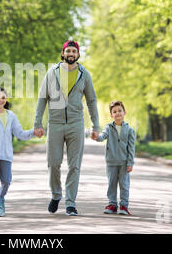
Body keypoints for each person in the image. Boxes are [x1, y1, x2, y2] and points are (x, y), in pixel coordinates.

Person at [34, 38, 100, 216]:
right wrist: (37, 123)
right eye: (68, 51)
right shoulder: (51, 73)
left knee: (74, 166)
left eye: (74, 51)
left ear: (78, 54)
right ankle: (56, 195)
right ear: (63, 53)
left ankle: (71, 202)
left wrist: (95, 125)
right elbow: (42, 99)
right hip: (54, 124)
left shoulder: (84, 74)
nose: (71, 54)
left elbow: (92, 101)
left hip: (76, 124)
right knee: (53, 164)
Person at [0, 87, 36, 217]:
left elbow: (20, 134)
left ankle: (0, 197)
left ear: (6, 99)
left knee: (7, 180)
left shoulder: (11, 116)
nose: (0, 100)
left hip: (6, 155)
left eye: (3, 98)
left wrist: (33, 132)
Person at [96, 101, 135, 215]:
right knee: (111, 184)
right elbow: (102, 136)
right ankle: (112, 204)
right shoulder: (108, 128)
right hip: (111, 162)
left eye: (119, 111)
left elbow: (131, 148)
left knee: (124, 185)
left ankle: (124, 206)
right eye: (114, 112)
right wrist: (96, 136)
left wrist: (130, 162)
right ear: (111, 115)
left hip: (124, 162)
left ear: (124, 112)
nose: (117, 113)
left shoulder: (129, 130)